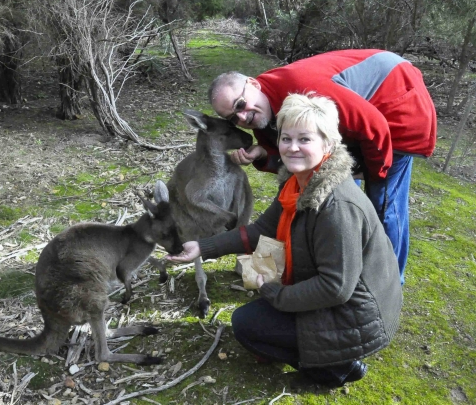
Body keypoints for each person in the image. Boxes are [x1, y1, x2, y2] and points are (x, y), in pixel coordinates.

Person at [167, 93, 402, 388]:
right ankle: (326, 354)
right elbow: (261, 230)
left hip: (358, 315)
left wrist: (275, 294)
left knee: (246, 325)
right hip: (339, 299)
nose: (292, 148)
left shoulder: (337, 207)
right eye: (286, 138)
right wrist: (202, 247)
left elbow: (336, 288)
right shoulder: (298, 182)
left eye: (304, 139)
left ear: (327, 143)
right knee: (252, 320)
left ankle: (335, 367)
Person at [208, 49, 437, 285]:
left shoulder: (303, 87)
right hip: (351, 123)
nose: (243, 117)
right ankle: (342, 265)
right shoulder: (262, 112)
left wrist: (373, 175)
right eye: (233, 118)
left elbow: (374, 126)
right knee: (334, 200)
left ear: (253, 84)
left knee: (384, 203)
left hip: (395, 100)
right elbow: (295, 166)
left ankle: (388, 283)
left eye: (241, 104)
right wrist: (263, 154)